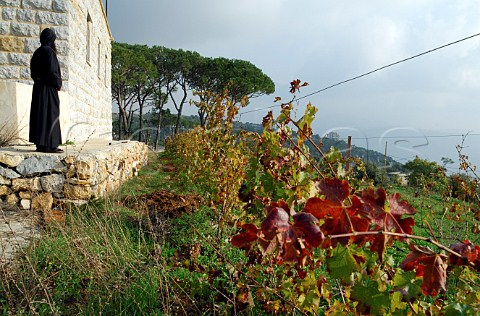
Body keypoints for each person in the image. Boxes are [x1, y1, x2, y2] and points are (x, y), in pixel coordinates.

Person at [29, 28, 63, 153]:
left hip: (38, 88)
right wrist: (58, 84)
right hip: (48, 89)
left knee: (40, 115)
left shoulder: (37, 52)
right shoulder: (49, 52)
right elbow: (53, 71)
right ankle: (49, 145)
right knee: (50, 114)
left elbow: (33, 72)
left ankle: (41, 144)